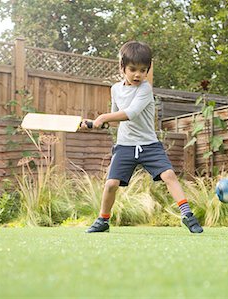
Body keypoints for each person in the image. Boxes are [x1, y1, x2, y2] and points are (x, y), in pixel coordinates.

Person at [84, 41, 203, 234]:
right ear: (122, 67)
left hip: (149, 145)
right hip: (125, 146)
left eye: (143, 70)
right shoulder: (115, 89)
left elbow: (131, 113)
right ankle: (103, 220)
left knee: (169, 175)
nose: (138, 74)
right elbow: (116, 117)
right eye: (132, 69)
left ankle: (187, 215)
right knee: (111, 184)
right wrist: (97, 122)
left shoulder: (145, 89)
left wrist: (103, 117)